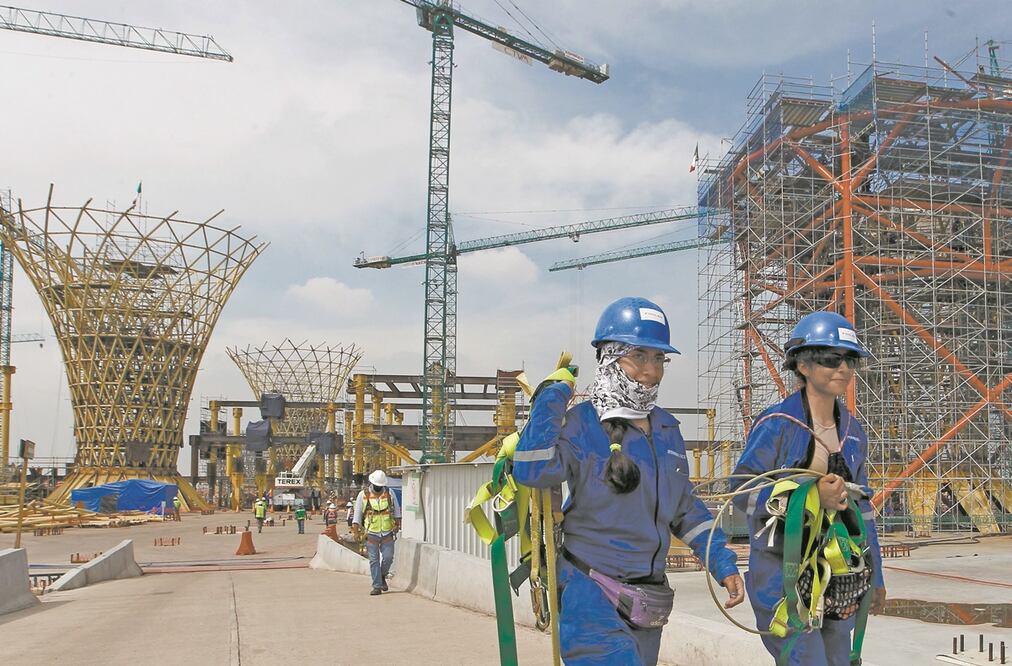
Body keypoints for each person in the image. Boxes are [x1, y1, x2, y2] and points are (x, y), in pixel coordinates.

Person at [512, 297, 744, 665]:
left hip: (647, 601)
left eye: (659, 358)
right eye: (639, 356)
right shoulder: (582, 423)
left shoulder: (666, 428)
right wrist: (549, 400)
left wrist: (722, 562)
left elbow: (685, 510)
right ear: (609, 357)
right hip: (591, 596)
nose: (651, 370)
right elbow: (532, 470)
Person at [731, 311, 886, 666]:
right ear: (803, 365)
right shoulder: (777, 424)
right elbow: (741, 490)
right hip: (781, 573)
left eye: (850, 360)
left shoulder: (853, 433)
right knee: (806, 659)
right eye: (831, 359)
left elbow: (864, 511)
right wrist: (810, 497)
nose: (843, 369)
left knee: (839, 659)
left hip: (838, 573)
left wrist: (875, 575)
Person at [352, 469, 401, 596]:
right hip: (371, 533)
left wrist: (397, 524)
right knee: (374, 560)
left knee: (388, 558)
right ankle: (377, 586)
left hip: (387, 532)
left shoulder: (389, 493)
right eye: (377, 486)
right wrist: (355, 531)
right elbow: (357, 514)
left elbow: (396, 511)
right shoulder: (363, 495)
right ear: (372, 483)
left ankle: (382, 575)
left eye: (380, 486)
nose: (378, 488)